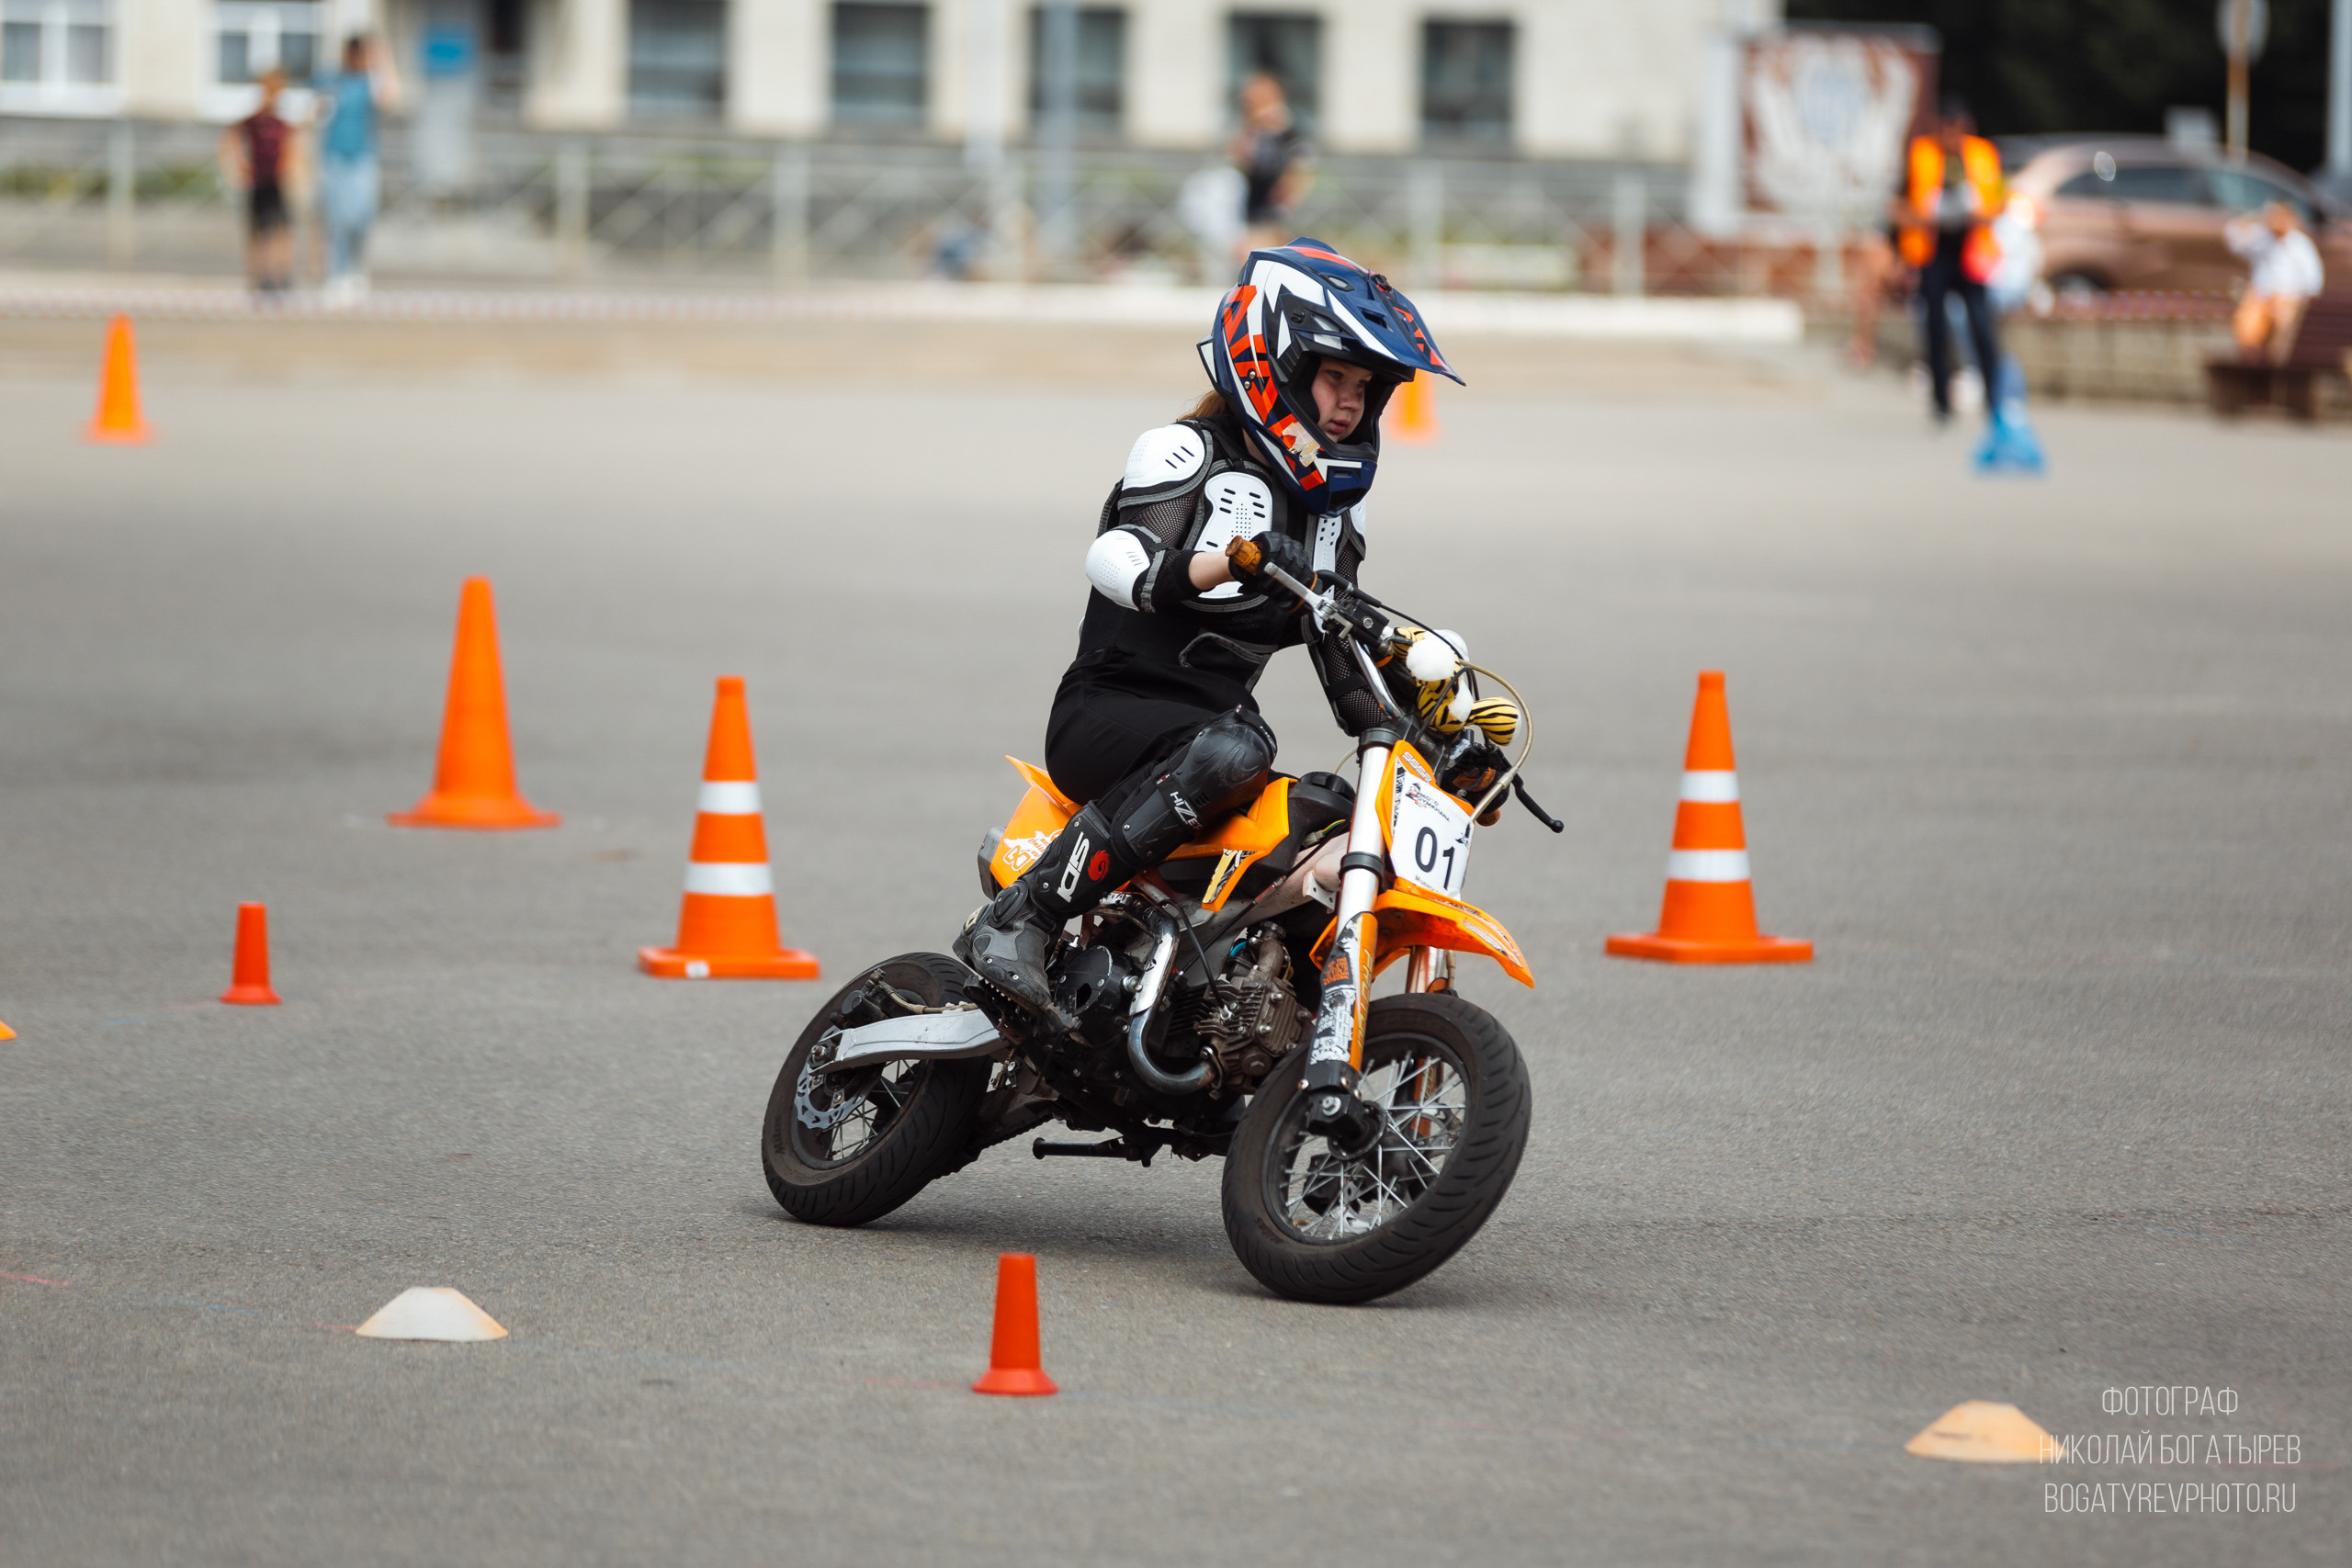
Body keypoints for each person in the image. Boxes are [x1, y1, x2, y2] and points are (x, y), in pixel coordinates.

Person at [955, 238, 1462, 1019]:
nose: (1352, 403)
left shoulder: (1332, 518)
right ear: (1276, 366)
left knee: (1334, 806)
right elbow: (1119, 559)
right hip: (1110, 714)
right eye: (1335, 377)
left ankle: (1227, 1003)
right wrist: (1229, 562)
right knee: (1240, 744)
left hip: (1213, 739)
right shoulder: (1186, 450)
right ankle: (1024, 916)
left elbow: (1346, 674)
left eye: (1366, 387)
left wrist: (1439, 744)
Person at [1897, 99, 2005, 425]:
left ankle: (1995, 401)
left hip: (1971, 251)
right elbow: (1901, 203)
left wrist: (1979, 212)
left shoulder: (1983, 154)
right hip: (1934, 251)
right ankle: (1941, 403)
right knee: (1935, 329)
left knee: (1983, 328)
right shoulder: (1922, 153)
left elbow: (1997, 201)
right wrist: (1921, 216)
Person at [316, 34, 398, 306]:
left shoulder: (370, 82)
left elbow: (389, 97)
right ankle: (336, 275)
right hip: (334, 157)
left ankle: (356, 269)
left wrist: (382, 59)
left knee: (362, 215)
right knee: (337, 219)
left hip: (362, 157)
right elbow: (314, 109)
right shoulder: (332, 80)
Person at [220, 68, 301, 297]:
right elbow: (232, 136)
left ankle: (282, 274)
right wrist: (239, 164)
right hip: (258, 179)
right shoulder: (256, 119)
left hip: (278, 180)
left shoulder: (282, 119)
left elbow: (293, 141)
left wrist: (291, 167)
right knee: (257, 230)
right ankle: (259, 276)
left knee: (282, 228)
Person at [2225, 201, 2324, 363]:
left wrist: (2300, 302)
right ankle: (2252, 364)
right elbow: (2235, 242)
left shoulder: (2301, 244)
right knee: (2247, 326)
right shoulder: (2261, 238)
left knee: (2284, 326)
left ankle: (2276, 363)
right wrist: (2253, 219)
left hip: (2288, 298)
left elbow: (2313, 281)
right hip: (2261, 296)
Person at [1228, 73, 1312, 258]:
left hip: (1274, 205)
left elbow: (1298, 163)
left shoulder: (1285, 127)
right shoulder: (1253, 129)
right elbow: (1240, 158)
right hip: (1253, 203)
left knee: (1272, 249)